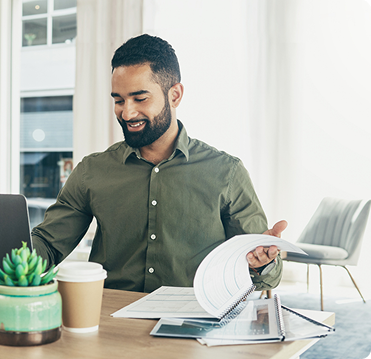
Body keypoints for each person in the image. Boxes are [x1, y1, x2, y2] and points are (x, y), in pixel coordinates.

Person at [32, 34, 287, 293]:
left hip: (193, 321)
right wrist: (4, 250)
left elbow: (267, 278)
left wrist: (261, 263)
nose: (127, 112)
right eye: (118, 100)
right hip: (112, 322)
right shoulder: (92, 171)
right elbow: (48, 244)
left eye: (140, 99)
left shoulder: (226, 173)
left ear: (174, 95)